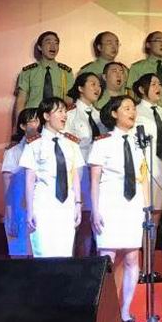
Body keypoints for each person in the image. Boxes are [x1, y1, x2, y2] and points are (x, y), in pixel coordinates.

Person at [89, 96, 147, 322]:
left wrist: (146, 207)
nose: (132, 112)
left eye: (133, 108)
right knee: (108, 258)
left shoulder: (140, 142)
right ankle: (105, 311)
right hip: (110, 203)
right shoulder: (102, 142)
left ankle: (125, 310)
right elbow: (94, 180)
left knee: (132, 256)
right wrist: (95, 210)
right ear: (114, 113)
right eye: (126, 108)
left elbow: (143, 176)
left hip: (133, 205)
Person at [20, 97, 85, 257]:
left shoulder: (71, 142)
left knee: (64, 254)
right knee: (43, 253)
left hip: (66, 205)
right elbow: (29, 180)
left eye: (65, 111)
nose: (64, 115)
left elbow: (75, 176)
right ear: (47, 116)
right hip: (43, 205)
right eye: (60, 111)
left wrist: (78, 204)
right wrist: (30, 211)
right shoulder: (34, 143)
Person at [133, 73, 162, 261]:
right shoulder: (135, 111)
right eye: (153, 84)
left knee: (155, 218)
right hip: (143, 170)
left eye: (159, 83)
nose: (158, 87)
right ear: (142, 89)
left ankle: (149, 263)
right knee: (142, 217)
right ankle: (138, 263)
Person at [65, 72, 104, 257]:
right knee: (81, 223)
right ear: (80, 88)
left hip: (99, 175)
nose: (97, 88)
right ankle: (79, 265)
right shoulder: (70, 114)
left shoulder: (100, 116)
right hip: (80, 175)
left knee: (96, 222)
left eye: (99, 85)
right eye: (93, 84)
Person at [2, 108, 40, 257]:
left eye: (39, 120)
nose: (37, 124)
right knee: (21, 257)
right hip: (19, 212)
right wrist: (10, 216)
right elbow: (7, 187)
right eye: (33, 121)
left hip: (41, 210)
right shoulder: (13, 152)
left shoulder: (49, 147)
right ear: (23, 126)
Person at [14, 31, 73, 117]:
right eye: (48, 42)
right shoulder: (28, 72)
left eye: (56, 43)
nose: (53, 46)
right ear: (40, 47)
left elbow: (69, 100)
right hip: (33, 118)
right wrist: (19, 122)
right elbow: (21, 100)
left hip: (56, 118)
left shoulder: (66, 72)